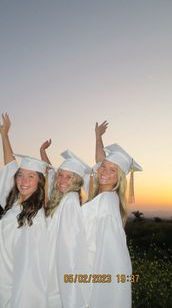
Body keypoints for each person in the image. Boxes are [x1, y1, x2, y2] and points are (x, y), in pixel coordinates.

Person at [0, 113, 49, 308]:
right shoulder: (15, 201)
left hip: (11, 286)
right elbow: (9, 165)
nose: (24, 181)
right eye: (21, 175)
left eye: (31, 176)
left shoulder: (36, 218)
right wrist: (5, 135)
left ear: (40, 181)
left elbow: (31, 267)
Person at [82, 123, 142, 308]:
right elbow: (100, 162)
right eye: (103, 167)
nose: (104, 172)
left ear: (120, 178)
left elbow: (110, 254)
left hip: (91, 273)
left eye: (112, 170)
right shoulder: (106, 197)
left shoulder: (105, 202)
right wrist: (98, 137)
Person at [40, 145, 91, 308]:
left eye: (69, 177)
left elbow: (69, 247)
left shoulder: (70, 202)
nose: (62, 180)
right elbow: (52, 174)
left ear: (76, 180)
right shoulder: (63, 198)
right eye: (60, 175)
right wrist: (43, 153)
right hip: (52, 265)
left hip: (57, 269)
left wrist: (69, 286)